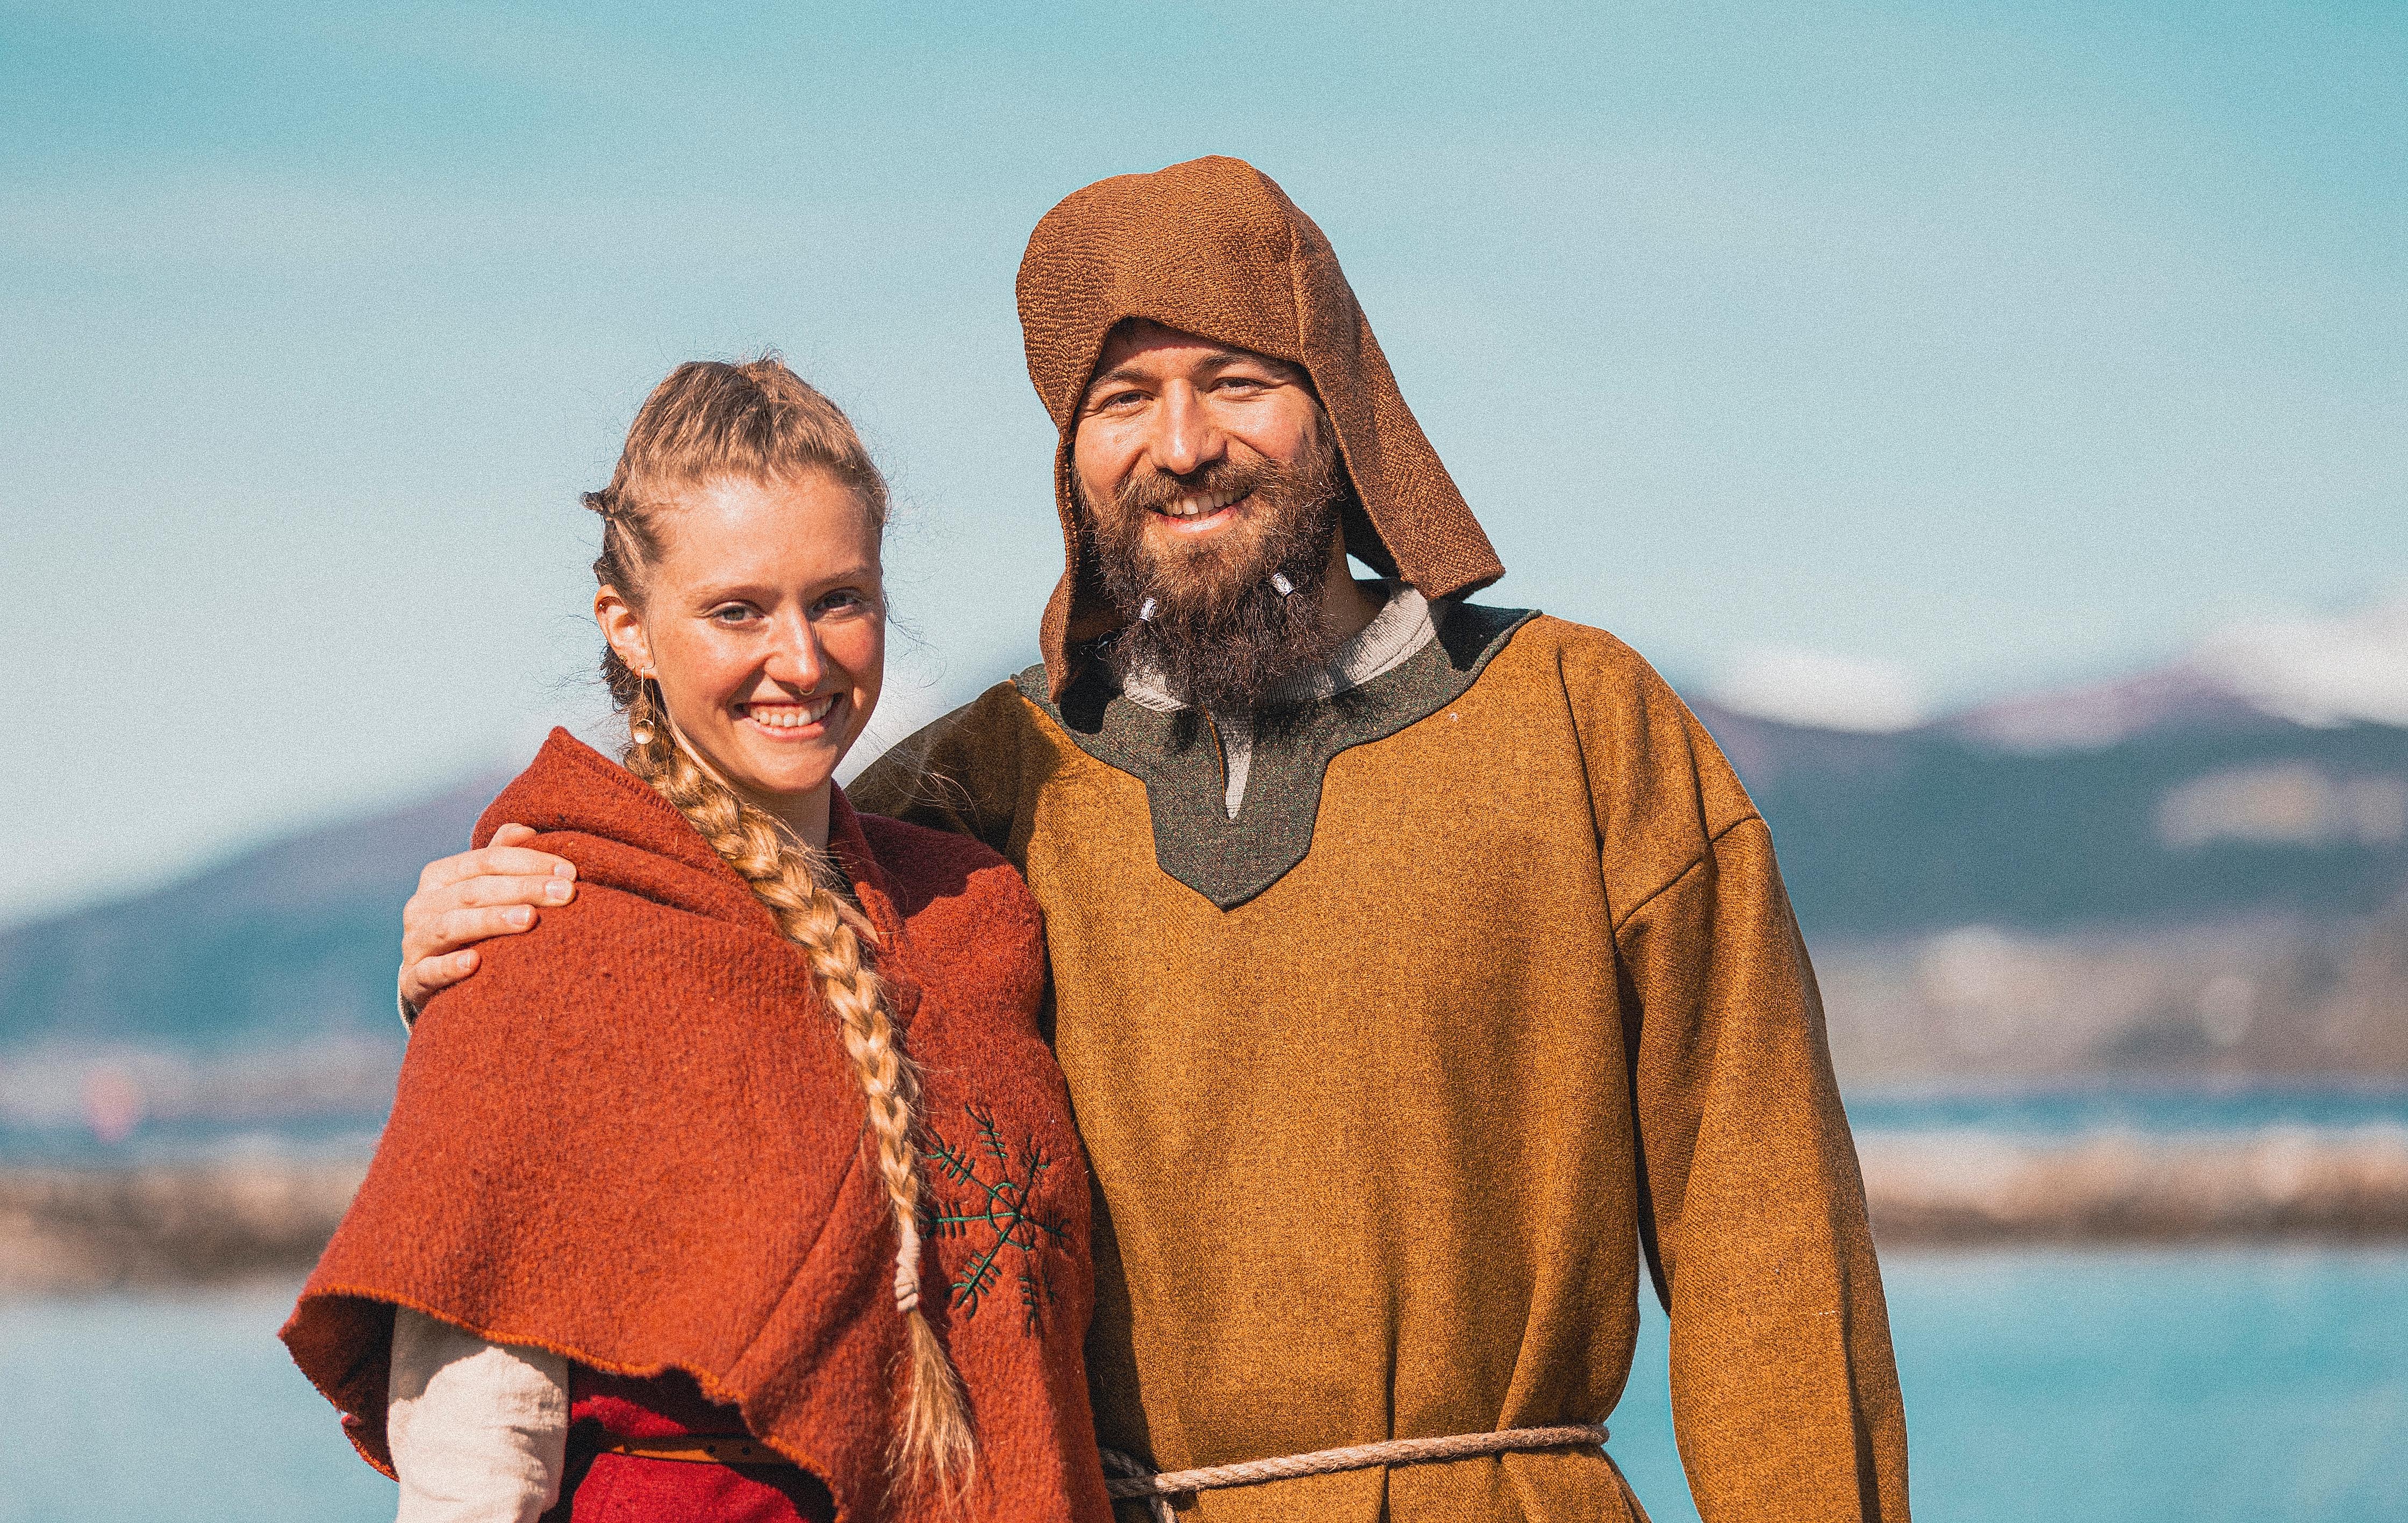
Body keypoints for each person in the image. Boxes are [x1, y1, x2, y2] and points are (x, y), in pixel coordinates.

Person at [401, 158, 1911, 1521]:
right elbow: (707, 979)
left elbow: (1763, 1233)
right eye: (1121, 401)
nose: (1181, 444)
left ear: (1338, 400)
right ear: (1072, 456)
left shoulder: (1582, 727)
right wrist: (502, 936)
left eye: (1236, 380)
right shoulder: (975, 792)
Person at [285, 359, 1115, 1523]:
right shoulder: (545, 928)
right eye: (737, 609)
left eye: (839, 599)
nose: (802, 659)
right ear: (627, 627)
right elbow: (478, 1438)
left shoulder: (970, 914)